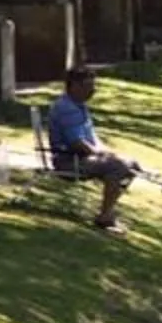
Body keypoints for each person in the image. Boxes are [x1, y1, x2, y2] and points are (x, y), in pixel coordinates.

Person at [48, 63, 140, 230]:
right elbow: (77, 143)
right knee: (117, 167)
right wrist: (103, 156)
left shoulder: (79, 106)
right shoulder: (66, 108)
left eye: (93, 86)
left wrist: (107, 152)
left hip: (84, 157)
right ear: (75, 86)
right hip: (69, 160)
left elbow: (92, 139)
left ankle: (109, 209)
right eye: (88, 86)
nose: (93, 91)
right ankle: (105, 217)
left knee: (132, 165)